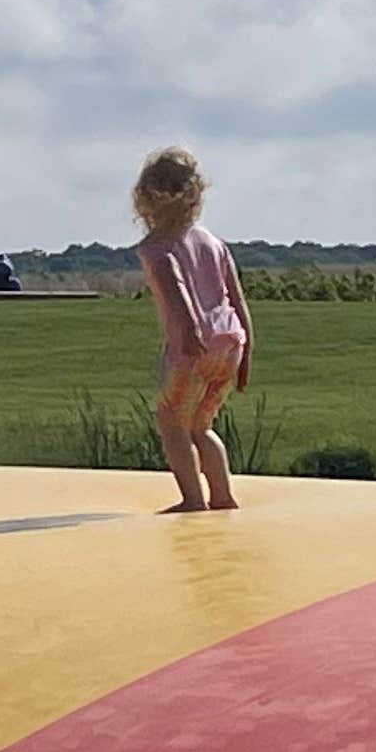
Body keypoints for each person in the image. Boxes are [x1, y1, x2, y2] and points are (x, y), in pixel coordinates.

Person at [132, 145, 248, 512]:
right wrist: (247, 353)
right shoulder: (213, 243)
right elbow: (237, 299)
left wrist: (191, 336)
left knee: (171, 422)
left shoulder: (157, 248)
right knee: (202, 425)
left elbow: (176, 289)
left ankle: (192, 499)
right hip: (231, 344)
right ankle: (223, 496)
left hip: (193, 348)